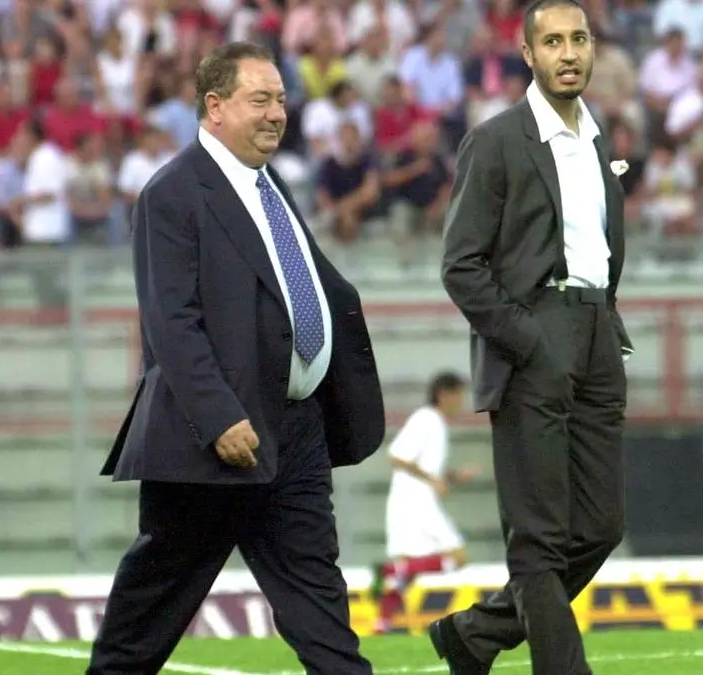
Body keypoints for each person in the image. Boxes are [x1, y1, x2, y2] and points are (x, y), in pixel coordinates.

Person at [86, 42, 385, 675]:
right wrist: (220, 416)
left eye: (280, 99)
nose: (277, 113)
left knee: (319, 603)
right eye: (260, 100)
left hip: (295, 430)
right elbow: (171, 321)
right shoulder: (172, 192)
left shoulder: (271, 185)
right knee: (151, 608)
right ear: (215, 106)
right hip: (214, 442)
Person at [433, 1, 632, 673]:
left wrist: (602, 322)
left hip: (597, 333)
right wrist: (526, 338)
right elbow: (460, 264)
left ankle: (476, 634)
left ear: (593, 47)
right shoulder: (496, 140)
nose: (568, 53)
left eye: (578, 39)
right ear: (527, 54)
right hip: (535, 336)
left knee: (601, 527)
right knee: (539, 539)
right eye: (552, 42)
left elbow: (600, 246)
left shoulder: (599, 139)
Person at [372, 371, 477, 634]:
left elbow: (426, 466)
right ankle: (391, 571)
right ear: (444, 394)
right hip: (416, 502)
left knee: (408, 569)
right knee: (458, 556)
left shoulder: (436, 423)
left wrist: (453, 476)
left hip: (414, 500)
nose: (461, 402)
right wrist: (433, 481)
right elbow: (397, 455)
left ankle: (381, 624)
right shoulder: (426, 419)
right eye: (458, 395)